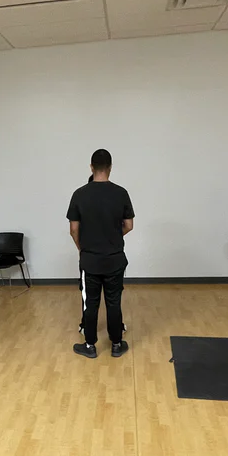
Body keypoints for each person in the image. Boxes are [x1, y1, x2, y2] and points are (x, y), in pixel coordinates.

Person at [67, 149, 134, 359]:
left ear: (91, 167)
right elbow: (129, 225)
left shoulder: (79, 194)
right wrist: (114, 236)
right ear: (111, 168)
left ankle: (90, 346)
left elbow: (73, 230)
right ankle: (116, 344)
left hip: (90, 260)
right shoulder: (121, 193)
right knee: (114, 301)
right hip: (114, 258)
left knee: (91, 303)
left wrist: (83, 248)